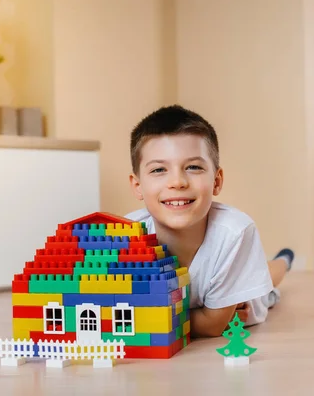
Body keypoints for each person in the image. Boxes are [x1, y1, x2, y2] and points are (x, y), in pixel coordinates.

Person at [124, 104, 295, 338]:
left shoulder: (235, 232)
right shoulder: (125, 236)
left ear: (216, 181)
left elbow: (212, 327)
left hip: (244, 299)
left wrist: (145, 318)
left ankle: (284, 260)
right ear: (137, 186)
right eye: (158, 170)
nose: (177, 182)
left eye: (193, 167)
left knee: (268, 278)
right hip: (210, 301)